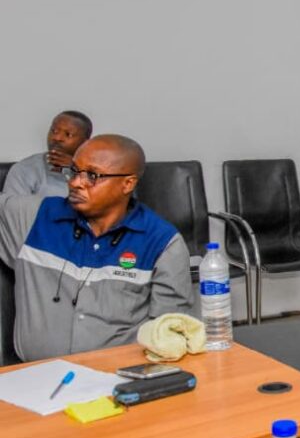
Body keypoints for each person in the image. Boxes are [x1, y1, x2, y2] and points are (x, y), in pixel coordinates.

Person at [0, 134, 195, 361]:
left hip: (119, 380)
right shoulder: (33, 218)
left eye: (92, 175)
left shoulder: (162, 243)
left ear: (127, 183)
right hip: (34, 377)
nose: (75, 182)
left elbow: (167, 336)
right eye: (73, 171)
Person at [2, 110, 93, 198]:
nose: (57, 138)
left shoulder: (99, 172)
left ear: (86, 142)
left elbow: (103, 206)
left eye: (68, 134)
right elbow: (13, 210)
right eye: (54, 131)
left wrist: (77, 170)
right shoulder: (25, 169)